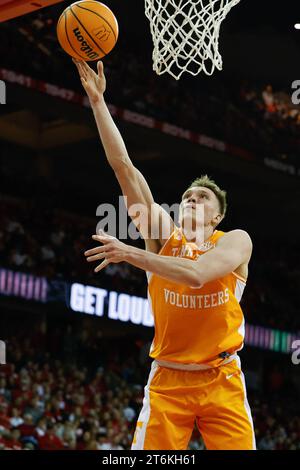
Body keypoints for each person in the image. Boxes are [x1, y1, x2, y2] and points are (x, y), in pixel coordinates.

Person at [73, 59, 256, 450]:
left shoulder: (235, 241)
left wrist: (130, 254)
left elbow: (197, 274)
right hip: (169, 380)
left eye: (202, 197)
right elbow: (124, 167)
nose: (191, 200)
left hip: (221, 378)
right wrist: (98, 102)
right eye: (187, 196)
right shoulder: (162, 236)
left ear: (218, 214)